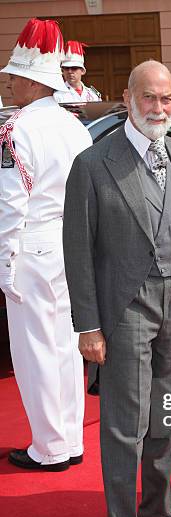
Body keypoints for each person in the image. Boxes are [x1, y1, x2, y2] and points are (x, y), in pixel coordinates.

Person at [63, 60, 171, 517]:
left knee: (168, 419)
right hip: (123, 310)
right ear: (127, 99)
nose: (159, 108)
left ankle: (157, 509)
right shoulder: (93, 163)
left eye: (167, 98)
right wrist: (88, 326)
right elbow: (77, 251)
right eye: (149, 98)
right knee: (124, 429)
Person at [0, 19, 92, 471]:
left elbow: (10, 206)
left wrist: (4, 265)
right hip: (69, 245)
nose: (7, 84)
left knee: (35, 350)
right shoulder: (74, 126)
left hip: (31, 245)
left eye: (12, 77)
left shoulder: (15, 130)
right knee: (65, 346)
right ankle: (69, 439)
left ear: (32, 82)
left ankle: (48, 447)